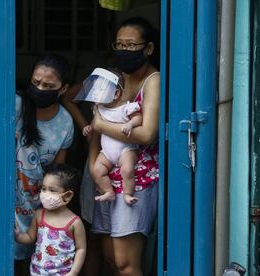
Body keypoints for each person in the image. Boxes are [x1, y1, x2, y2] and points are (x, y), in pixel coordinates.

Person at [88, 17, 160, 275]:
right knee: (109, 256)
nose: (124, 50)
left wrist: (99, 124)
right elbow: (94, 116)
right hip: (106, 177)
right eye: (119, 44)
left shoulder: (153, 80)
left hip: (136, 179)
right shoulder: (115, 78)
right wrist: (92, 164)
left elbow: (147, 134)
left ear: (148, 48)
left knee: (125, 264)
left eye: (130, 45)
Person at [15, 54, 74, 275]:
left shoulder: (66, 122)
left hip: (37, 206)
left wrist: (52, 209)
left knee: (31, 262)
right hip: (5, 199)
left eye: (48, 85)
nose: (40, 88)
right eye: (36, 82)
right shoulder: (16, 105)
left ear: (63, 89)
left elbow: (57, 172)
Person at [79, 68, 142, 205]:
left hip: (126, 150)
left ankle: (127, 194)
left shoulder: (126, 107)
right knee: (96, 170)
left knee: (127, 170)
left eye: (100, 90)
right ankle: (108, 191)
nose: (96, 94)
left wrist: (130, 124)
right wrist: (89, 127)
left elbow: (138, 118)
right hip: (106, 152)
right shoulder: (100, 109)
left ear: (116, 94)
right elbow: (96, 124)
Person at [15, 164, 87, 276]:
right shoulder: (39, 215)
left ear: (67, 196)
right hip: (37, 272)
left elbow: (81, 249)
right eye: (43, 188)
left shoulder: (75, 223)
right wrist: (18, 236)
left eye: (52, 190)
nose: (45, 194)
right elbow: (30, 237)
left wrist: (74, 272)